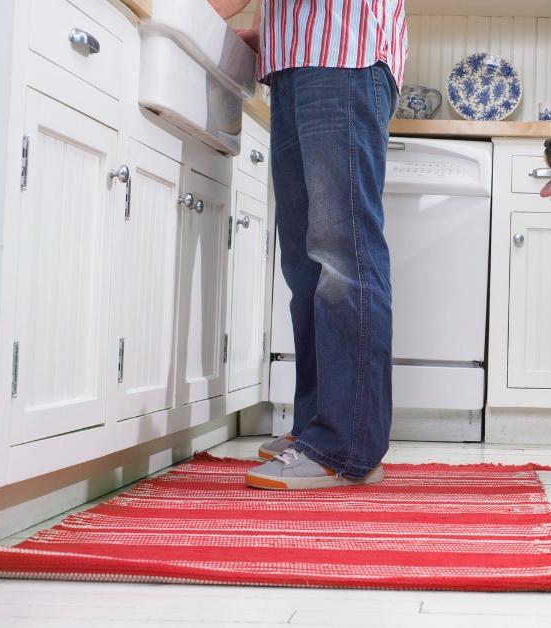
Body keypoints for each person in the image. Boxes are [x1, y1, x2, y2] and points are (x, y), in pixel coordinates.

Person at [213, 0, 407, 490]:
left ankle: (346, 448)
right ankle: (319, 428)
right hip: (299, 62)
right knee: (306, 266)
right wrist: (275, 36)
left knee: (342, 257)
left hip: (341, 55)